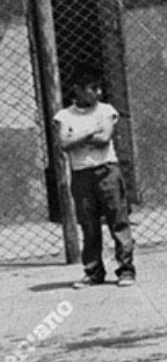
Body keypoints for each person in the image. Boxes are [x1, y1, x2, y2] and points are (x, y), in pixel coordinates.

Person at [53, 68, 135, 288]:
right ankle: (93, 272)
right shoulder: (64, 116)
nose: (97, 92)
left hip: (107, 171)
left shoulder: (106, 110)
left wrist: (76, 137)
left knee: (118, 221)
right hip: (81, 175)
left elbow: (104, 138)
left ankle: (125, 269)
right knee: (89, 225)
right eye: (92, 88)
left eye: (99, 88)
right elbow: (64, 144)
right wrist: (89, 132)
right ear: (78, 90)